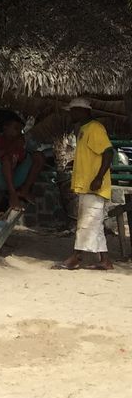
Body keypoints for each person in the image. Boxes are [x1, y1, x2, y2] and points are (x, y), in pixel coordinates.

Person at [58, 98, 115, 271]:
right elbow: (93, 155)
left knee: (86, 222)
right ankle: (105, 261)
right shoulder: (84, 129)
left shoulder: (94, 128)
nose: (70, 114)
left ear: (82, 111)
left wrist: (98, 177)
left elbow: (108, 152)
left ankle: (76, 257)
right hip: (87, 184)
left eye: (73, 111)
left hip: (93, 185)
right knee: (95, 224)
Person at [0, 113, 43, 210]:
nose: (18, 132)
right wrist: (13, 146)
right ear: (5, 127)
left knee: (38, 156)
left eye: (20, 129)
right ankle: (12, 195)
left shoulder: (18, 143)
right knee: (6, 158)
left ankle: (25, 191)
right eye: (15, 128)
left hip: (13, 179)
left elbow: (22, 160)